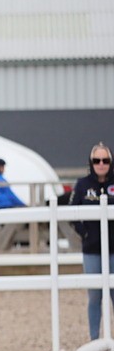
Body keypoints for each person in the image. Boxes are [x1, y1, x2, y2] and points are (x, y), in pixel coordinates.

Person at [70, 143, 114, 340]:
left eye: (105, 160)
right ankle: (95, 339)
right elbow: (71, 213)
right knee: (95, 296)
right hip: (91, 249)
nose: (101, 164)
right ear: (91, 163)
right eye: (97, 160)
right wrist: (84, 233)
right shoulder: (82, 185)